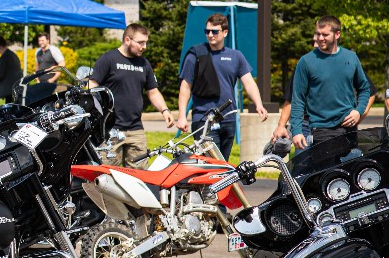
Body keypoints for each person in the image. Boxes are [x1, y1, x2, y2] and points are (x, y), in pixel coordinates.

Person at [174, 13, 269, 159]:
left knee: (223, 166)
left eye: (215, 31)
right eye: (207, 31)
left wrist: (259, 104)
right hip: (204, 120)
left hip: (228, 119)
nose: (210, 35)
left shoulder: (235, 56)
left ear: (225, 32)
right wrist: (182, 116)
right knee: (211, 165)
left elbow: (249, 83)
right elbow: (185, 86)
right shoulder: (196, 55)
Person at [90, 23, 176, 168]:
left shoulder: (144, 64)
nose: (144, 46)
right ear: (127, 40)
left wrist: (165, 110)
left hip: (136, 130)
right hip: (111, 130)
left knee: (140, 178)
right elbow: (92, 86)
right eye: (141, 42)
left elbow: (153, 91)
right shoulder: (108, 59)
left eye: (146, 42)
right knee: (108, 177)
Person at [289, 15, 373, 150]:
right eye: (317, 34)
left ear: (337, 34)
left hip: (349, 129)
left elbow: (364, 88)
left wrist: (358, 111)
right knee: (326, 171)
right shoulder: (306, 62)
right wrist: (297, 131)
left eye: (325, 34)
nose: (320, 38)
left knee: (348, 171)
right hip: (320, 130)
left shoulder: (351, 58)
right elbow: (298, 99)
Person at [0, 36, 22, 103]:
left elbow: (0, 75)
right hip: (16, 86)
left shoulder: (3, 58)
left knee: (9, 107)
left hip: (9, 88)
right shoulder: (13, 55)